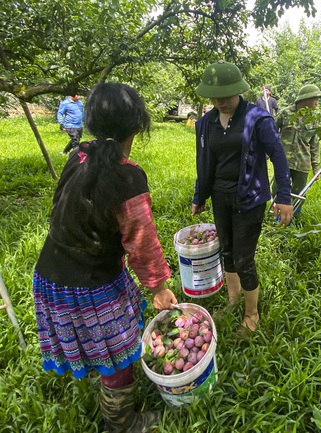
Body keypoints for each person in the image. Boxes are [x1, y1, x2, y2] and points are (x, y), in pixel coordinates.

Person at [33, 82, 178, 432]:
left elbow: (59, 208)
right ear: (137, 125)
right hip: (89, 284)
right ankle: (121, 422)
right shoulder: (127, 177)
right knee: (118, 356)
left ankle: (106, 380)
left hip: (52, 272)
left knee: (104, 340)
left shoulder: (77, 155)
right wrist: (158, 287)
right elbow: (141, 241)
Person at [191, 60, 293, 332]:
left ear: (238, 90)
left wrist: (284, 195)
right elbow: (204, 161)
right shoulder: (206, 122)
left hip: (250, 197)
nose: (219, 101)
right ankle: (234, 300)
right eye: (214, 97)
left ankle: (252, 315)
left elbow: (279, 156)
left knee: (243, 257)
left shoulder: (257, 118)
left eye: (225, 96)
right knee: (226, 250)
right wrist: (199, 195)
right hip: (220, 196)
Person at [273, 84, 321, 211]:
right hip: (283, 160)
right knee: (277, 189)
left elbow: (314, 144)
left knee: (299, 192)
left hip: (302, 163)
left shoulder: (313, 120)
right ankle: (276, 214)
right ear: (305, 99)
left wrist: (316, 166)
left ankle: (294, 216)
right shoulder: (285, 113)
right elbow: (271, 132)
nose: (317, 102)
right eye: (315, 98)